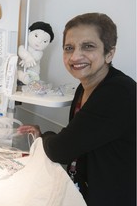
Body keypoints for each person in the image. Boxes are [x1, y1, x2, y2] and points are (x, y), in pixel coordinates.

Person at [17, 13, 136, 205]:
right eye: (69, 48)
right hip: (85, 190)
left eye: (88, 46)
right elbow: (78, 139)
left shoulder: (118, 92)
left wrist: (44, 136)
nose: (75, 56)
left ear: (109, 53)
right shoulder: (85, 86)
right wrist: (45, 136)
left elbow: (60, 151)